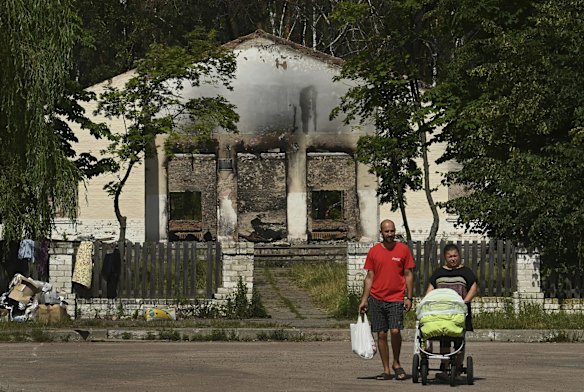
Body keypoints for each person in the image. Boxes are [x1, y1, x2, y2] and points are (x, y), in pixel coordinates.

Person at [358, 219, 415, 381]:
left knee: (395, 331)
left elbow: (409, 275)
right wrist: (364, 299)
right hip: (376, 298)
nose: (389, 234)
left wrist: (409, 297)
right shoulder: (374, 251)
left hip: (396, 298)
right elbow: (369, 277)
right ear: (381, 232)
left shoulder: (403, 250)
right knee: (381, 334)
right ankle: (386, 369)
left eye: (392, 231)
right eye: (386, 231)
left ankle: (396, 363)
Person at [426, 243, 478, 378]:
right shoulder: (439, 273)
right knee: (444, 339)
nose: (453, 259)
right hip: (441, 313)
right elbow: (430, 289)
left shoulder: (466, 272)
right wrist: (427, 302)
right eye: (450, 256)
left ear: (459, 256)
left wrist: (465, 301)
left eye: (455, 256)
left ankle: (458, 366)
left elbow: (473, 287)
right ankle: (444, 366)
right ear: (445, 257)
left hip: (460, 311)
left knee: (459, 339)